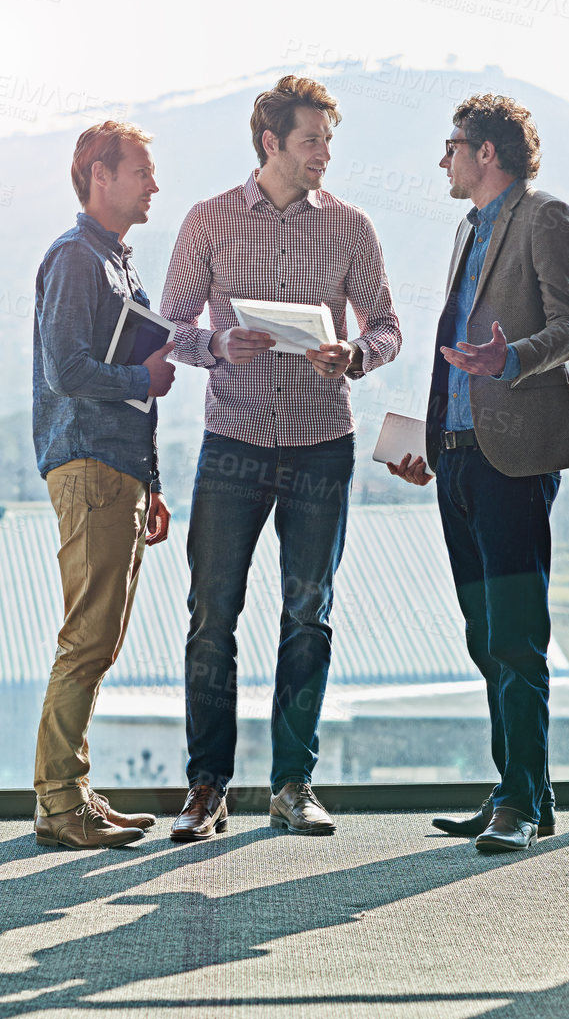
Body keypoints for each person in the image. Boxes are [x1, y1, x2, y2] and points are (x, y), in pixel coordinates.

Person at [159, 76, 401, 841]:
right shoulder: (210, 220)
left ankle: (294, 785)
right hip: (231, 443)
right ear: (271, 144)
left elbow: (389, 326)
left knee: (308, 615)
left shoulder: (351, 228)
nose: (324, 154)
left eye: (327, 141)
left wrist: (355, 354)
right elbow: (167, 326)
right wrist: (219, 344)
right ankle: (207, 789)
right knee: (211, 615)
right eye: (311, 141)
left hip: (321, 446)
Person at [386, 94, 569, 854]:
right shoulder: (468, 229)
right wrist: (431, 443)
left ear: (487, 154)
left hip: (515, 457)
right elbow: (454, 352)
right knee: (484, 636)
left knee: (516, 636)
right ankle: (522, 789)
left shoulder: (544, 217)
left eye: (453, 146)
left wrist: (511, 358)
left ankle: (520, 803)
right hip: (462, 455)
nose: (444, 159)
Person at [30, 121, 177, 849]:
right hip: (87, 464)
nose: (154, 185)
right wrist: (142, 378)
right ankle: (59, 802)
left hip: (116, 470)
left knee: (100, 639)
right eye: (142, 172)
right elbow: (67, 370)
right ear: (100, 175)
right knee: (87, 638)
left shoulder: (117, 262)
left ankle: (72, 791)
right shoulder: (75, 259)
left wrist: (150, 483)